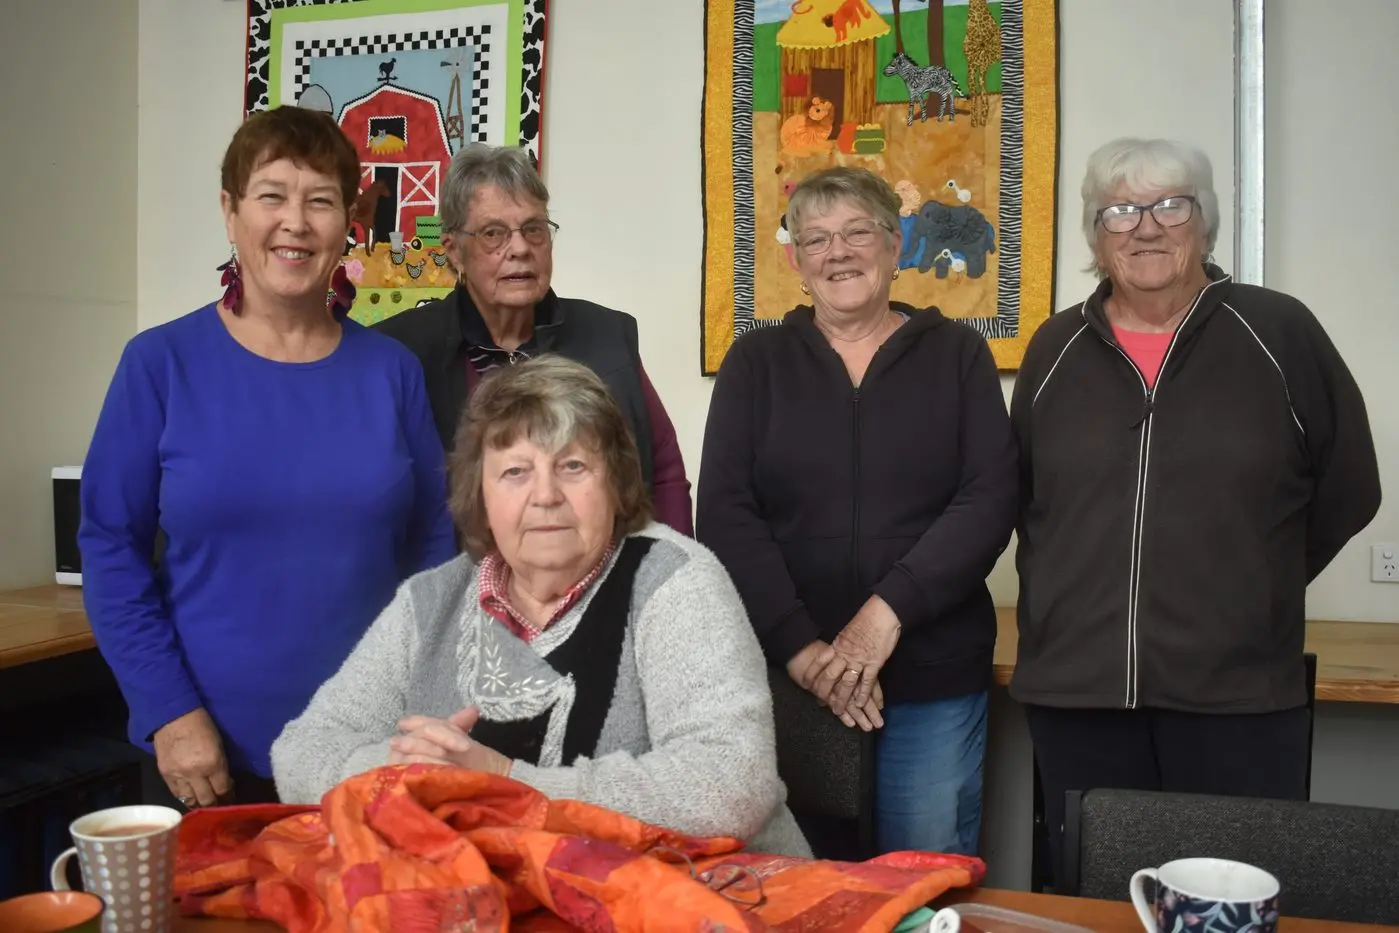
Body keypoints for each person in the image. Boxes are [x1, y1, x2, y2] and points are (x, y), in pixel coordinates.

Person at [1010, 137, 1382, 872]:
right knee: (1098, 899)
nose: (1145, 227)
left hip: (1235, 695)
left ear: (1203, 222)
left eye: (1168, 206)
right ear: (1095, 233)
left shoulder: (1278, 331)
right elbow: (1020, 495)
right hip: (1075, 690)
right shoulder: (1054, 345)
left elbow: (1349, 485)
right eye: (1119, 210)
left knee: (1229, 897)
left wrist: (1254, 583)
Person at [271, 356, 809, 857]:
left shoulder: (674, 581)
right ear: (478, 493)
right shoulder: (430, 601)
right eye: (515, 472)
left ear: (616, 481)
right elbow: (300, 752)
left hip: (723, 897)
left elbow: (730, 783)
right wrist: (413, 777)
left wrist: (506, 785)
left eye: (572, 466)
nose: (545, 495)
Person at [78, 107, 456, 811]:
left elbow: (434, 554)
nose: (296, 221)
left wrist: (419, 706)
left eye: (320, 200)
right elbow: (109, 548)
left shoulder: (392, 372)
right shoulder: (159, 365)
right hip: (205, 759)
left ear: (349, 219)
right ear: (230, 211)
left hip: (364, 751)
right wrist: (168, 712)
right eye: (271, 195)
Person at [696, 167, 1018, 857]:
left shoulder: (957, 354)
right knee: (800, 885)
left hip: (931, 675)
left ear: (895, 243)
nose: (836, 252)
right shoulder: (755, 362)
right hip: (791, 679)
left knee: (920, 875)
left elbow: (989, 497)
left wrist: (883, 614)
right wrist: (805, 652)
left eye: (855, 233)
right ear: (795, 261)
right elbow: (724, 514)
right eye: (815, 239)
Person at [374, 144, 694, 535]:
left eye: (534, 229)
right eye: (494, 234)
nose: (521, 249)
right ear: (454, 252)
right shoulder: (403, 352)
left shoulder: (608, 335)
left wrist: (668, 571)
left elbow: (663, 469)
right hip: (460, 582)